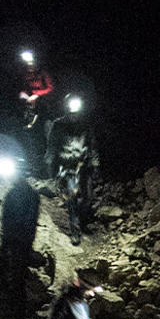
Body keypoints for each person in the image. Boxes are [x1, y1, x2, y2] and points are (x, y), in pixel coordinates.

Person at [44, 95, 99, 241]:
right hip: (66, 165)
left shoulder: (86, 125)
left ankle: (82, 221)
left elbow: (92, 145)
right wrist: (50, 167)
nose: (74, 115)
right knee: (72, 196)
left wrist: (95, 163)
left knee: (87, 197)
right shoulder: (58, 125)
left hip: (83, 165)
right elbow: (52, 147)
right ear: (67, 109)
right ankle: (75, 230)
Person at [0, 171, 40, 319]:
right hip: (14, 241)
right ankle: (14, 318)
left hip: (19, 243)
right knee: (13, 279)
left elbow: (29, 221)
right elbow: (6, 219)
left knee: (17, 280)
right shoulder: (17, 193)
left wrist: (20, 242)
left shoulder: (29, 195)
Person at [16, 49, 54, 127]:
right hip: (30, 103)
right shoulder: (25, 74)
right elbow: (24, 87)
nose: (29, 65)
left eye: (31, 62)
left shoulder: (42, 73)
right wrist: (24, 94)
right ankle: (26, 123)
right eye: (28, 63)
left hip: (43, 102)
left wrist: (37, 94)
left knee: (43, 117)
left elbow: (50, 88)